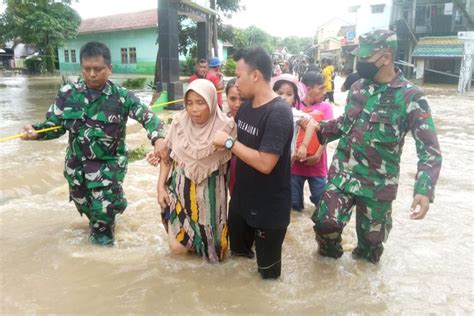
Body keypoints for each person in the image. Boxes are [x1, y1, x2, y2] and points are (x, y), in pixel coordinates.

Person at [312, 30, 442, 264]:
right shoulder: (358, 87)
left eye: (366, 58)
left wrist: (424, 190)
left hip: (378, 184)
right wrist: (316, 127)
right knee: (325, 224)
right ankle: (327, 265)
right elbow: (345, 123)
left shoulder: (411, 96)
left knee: (370, 250)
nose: (360, 63)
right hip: (343, 174)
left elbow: (430, 149)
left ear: (386, 57)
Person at [19, 41, 166, 246]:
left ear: (109, 69)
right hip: (76, 169)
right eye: (86, 69)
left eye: (98, 69)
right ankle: (107, 215)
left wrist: (158, 138)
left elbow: (149, 117)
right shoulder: (67, 94)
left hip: (108, 168)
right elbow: (55, 126)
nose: (92, 74)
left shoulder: (122, 97)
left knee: (102, 220)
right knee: (88, 210)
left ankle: (104, 255)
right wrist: (35, 132)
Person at [213, 47, 293, 279]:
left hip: (270, 210)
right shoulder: (246, 107)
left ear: (255, 75)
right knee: (238, 261)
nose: (235, 83)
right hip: (241, 202)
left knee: (267, 277)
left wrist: (229, 143)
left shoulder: (279, 113)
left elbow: (265, 163)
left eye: (238, 75)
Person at [155, 79, 236, 263]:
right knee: (177, 249)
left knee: (216, 257)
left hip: (212, 200)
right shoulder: (179, 123)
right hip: (181, 193)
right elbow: (167, 157)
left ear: (212, 102)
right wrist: (160, 187)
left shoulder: (228, 127)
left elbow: (236, 165)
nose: (194, 109)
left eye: (201, 103)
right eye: (189, 103)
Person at [291, 72, 334, 212]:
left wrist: (317, 155)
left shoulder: (326, 108)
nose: (324, 92)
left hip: (317, 163)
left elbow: (329, 133)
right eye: (321, 88)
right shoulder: (295, 105)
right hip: (295, 165)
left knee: (321, 202)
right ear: (309, 89)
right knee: (294, 205)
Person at [270, 73, 317, 162]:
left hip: (287, 156)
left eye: (289, 94)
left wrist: (304, 146)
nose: (283, 97)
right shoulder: (269, 110)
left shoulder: (293, 113)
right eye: (280, 93)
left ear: (294, 99)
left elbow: (312, 123)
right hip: (269, 153)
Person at [224, 78, 243, 196]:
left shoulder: (254, 123)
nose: (237, 104)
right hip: (226, 173)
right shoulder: (222, 122)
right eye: (233, 99)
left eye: (242, 99)